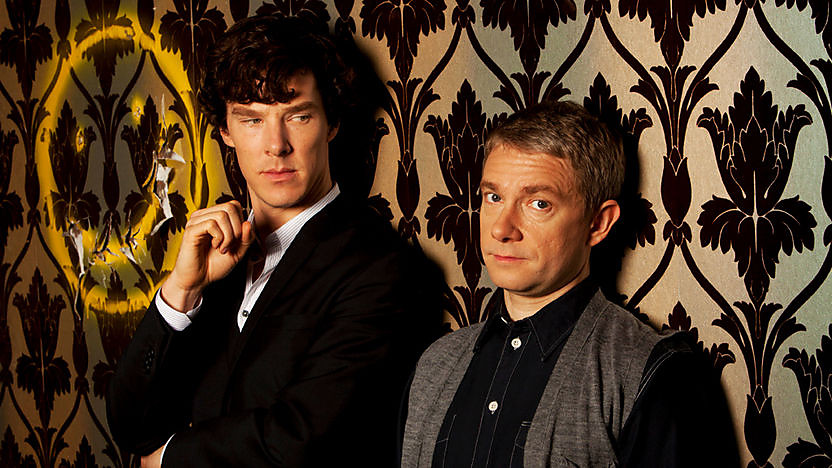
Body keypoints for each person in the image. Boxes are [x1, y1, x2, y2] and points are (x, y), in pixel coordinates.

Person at [107, 15, 437, 467]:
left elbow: (304, 439)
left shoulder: (380, 268)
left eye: (298, 116)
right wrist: (181, 291)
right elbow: (131, 426)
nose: (276, 145)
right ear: (226, 131)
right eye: (252, 120)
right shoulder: (213, 258)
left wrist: (169, 459)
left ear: (331, 122)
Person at [401, 101, 739, 467]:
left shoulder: (652, 373)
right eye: (494, 197)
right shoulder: (435, 364)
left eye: (538, 203)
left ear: (598, 223)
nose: (501, 228)